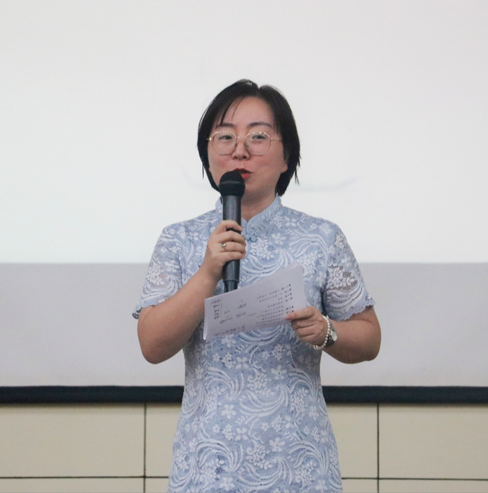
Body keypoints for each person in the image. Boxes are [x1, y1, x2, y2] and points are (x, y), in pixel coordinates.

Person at [133, 79, 381, 493]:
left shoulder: (321, 238)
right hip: (209, 464)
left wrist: (326, 331)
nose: (240, 149)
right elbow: (152, 346)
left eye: (258, 136)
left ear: (287, 156)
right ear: (207, 152)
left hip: (299, 463)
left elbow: (369, 338)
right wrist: (207, 274)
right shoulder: (179, 240)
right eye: (225, 136)